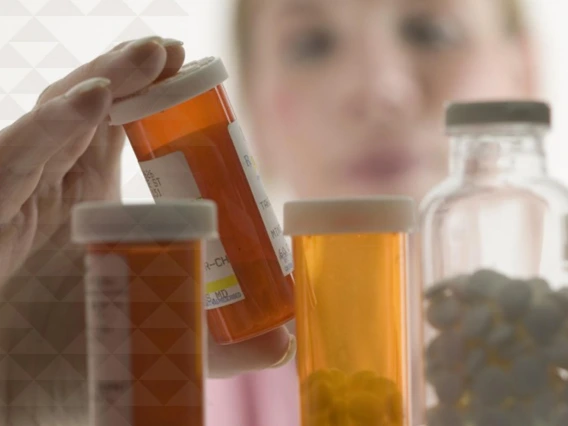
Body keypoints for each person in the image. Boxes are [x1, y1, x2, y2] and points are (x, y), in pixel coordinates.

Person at [0, 0, 538, 425]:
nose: (379, 91)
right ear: (251, 107)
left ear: (526, 70)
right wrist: (17, 394)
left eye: (431, 31)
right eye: (311, 44)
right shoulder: (167, 391)